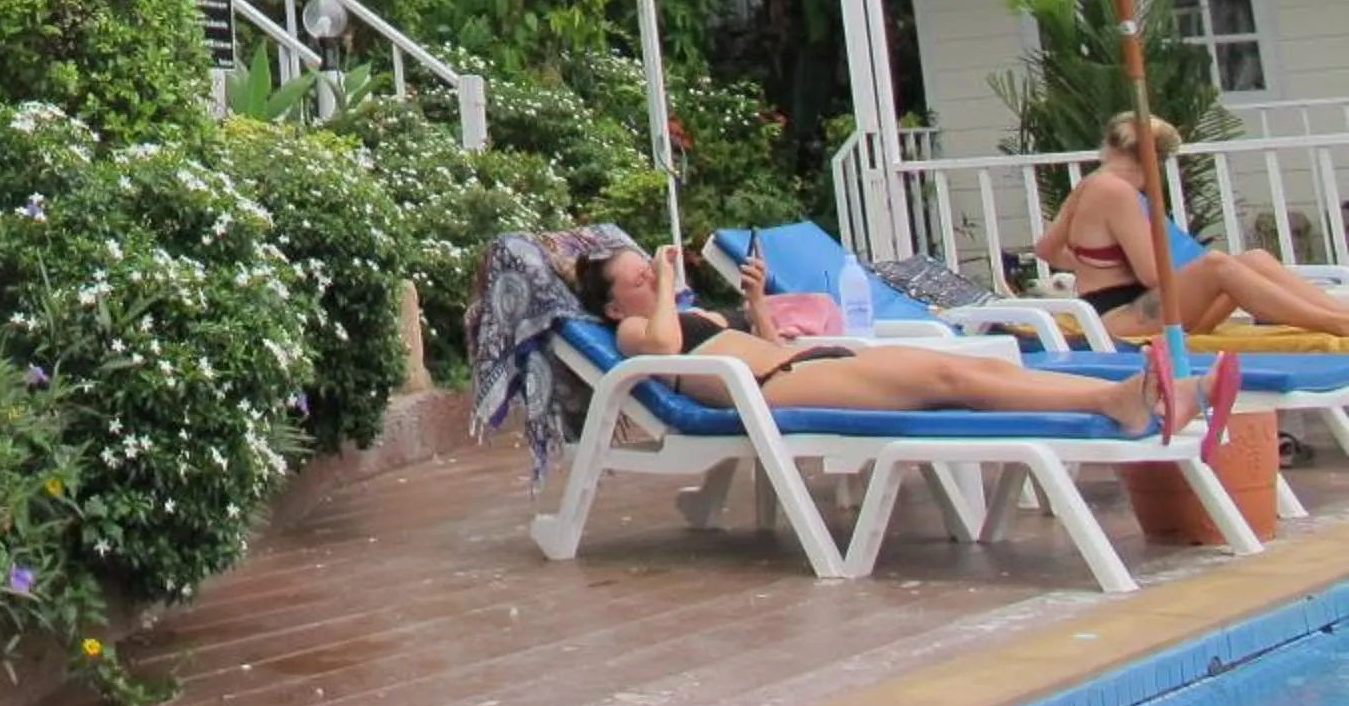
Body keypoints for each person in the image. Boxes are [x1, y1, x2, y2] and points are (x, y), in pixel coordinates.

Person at [573, 240, 1214, 436]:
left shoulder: (688, 317)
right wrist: (662, 285)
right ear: (611, 300)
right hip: (779, 387)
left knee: (970, 374)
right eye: (633, 273)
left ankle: (1154, 392)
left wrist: (753, 303)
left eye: (646, 264)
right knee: (950, 382)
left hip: (804, 361)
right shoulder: (631, 327)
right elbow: (659, 347)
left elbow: (763, 335)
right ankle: (1118, 401)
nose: (648, 272)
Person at [1036, 113, 1349, 340]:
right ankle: (1335, 323)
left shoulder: (1089, 184)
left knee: (1253, 259)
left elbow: (1046, 250)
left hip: (1125, 308)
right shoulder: (1116, 191)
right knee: (1217, 266)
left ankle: (1341, 316)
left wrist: (1093, 264)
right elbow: (1152, 275)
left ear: (1108, 146)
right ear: (1154, 159)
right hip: (1123, 318)